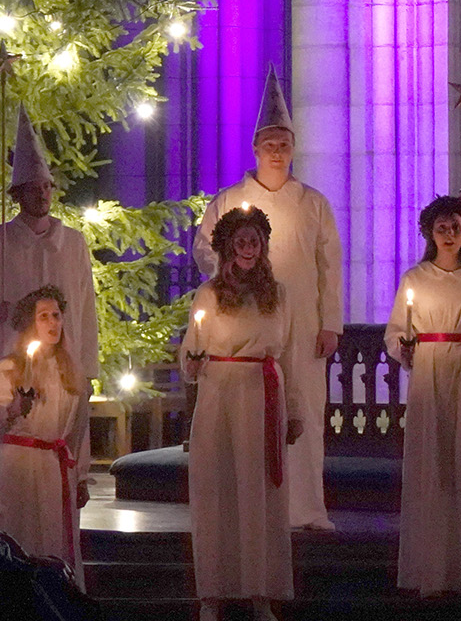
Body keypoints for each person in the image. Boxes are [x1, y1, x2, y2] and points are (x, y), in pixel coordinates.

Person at [194, 69, 343, 531]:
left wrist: (331, 323)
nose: (277, 153)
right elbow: (204, 250)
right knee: (255, 415)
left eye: (285, 145)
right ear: (256, 149)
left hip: (302, 322)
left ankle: (307, 509)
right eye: (269, 145)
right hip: (249, 324)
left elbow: (329, 264)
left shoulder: (313, 203)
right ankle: (256, 507)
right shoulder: (230, 201)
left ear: (293, 149)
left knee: (304, 409)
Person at [183, 207, 305, 621]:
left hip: (261, 395)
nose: (249, 248)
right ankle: (212, 595)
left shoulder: (280, 295)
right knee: (215, 490)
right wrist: (194, 363)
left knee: (260, 496)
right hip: (219, 395)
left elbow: (289, 356)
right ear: (227, 247)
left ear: (263, 246)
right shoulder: (208, 295)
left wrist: (296, 411)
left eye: (255, 241)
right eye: (241, 241)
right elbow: (191, 351)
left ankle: (261, 592)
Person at [382, 197, 461, 596]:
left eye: (455, 227)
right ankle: (429, 573)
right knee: (430, 466)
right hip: (430, 375)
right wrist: (403, 349)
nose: (449, 234)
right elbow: (396, 329)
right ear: (429, 233)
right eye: (441, 228)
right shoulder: (415, 279)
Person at [0, 109, 100, 396]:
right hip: (14, 371)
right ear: (19, 194)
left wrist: (87, 370)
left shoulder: (73, 244)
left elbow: (85, 309)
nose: (42, 194)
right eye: (34, 188)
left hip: (66, 372)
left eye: (46, 187)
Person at [0, 286, 87, 579]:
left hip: (53, 468)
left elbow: (78, 430)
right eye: (44, 316)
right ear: (31, 323)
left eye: (56, 315)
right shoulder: (9, 368)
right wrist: (14, 410)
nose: (53, 323)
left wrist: (79, 475)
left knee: (52, 539)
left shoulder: (71, 372)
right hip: (19, 466)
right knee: (21, 535)